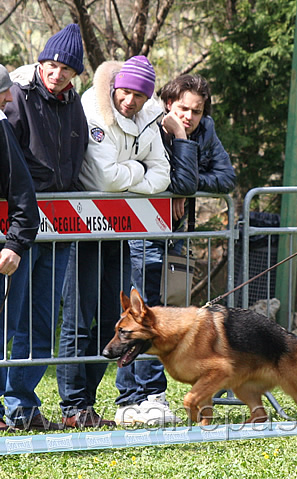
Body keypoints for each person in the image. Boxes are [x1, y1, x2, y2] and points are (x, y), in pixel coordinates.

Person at [55, 56, 171, 428]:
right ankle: (73, 405)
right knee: (77, 321)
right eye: (126, 91)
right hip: (82, 230)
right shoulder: (93, 108)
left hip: (119, 230)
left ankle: (88, 404)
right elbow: (103, 179)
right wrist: (139, 170)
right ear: (115, 87)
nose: (130, 101)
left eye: (139, 95)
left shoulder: (149, 118)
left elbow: (163, 176)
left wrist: (128, 175)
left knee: (110, 319)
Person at [120, 73, 236, 425]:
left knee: (161, 318)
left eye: (196, 111)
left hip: (174, 237)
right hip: (140, 231)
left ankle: (147, 397)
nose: (188, 116)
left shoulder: (206, 129)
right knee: (143, 318)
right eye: (183, 108)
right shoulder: (148, 122)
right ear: (168, 103)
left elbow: (226, 177)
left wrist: (183, 188)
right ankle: (135, 397)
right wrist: (176, 184)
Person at [2, 23, 88, 431]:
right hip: (21, 225)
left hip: (62, 229)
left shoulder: (75, 104)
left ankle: (24, 403)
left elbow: (81, 151)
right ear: (41, 62)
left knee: (41, 321)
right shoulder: (17, 95)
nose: (57, 74)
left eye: (66, 70)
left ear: (75, 74)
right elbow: (10, 156)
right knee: (10, 320)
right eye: (52, 65)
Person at [0, 64, 40, 432]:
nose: (10, 98)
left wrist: (15, 244)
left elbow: (23, 194)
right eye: (4, 91)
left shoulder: (1, 129)